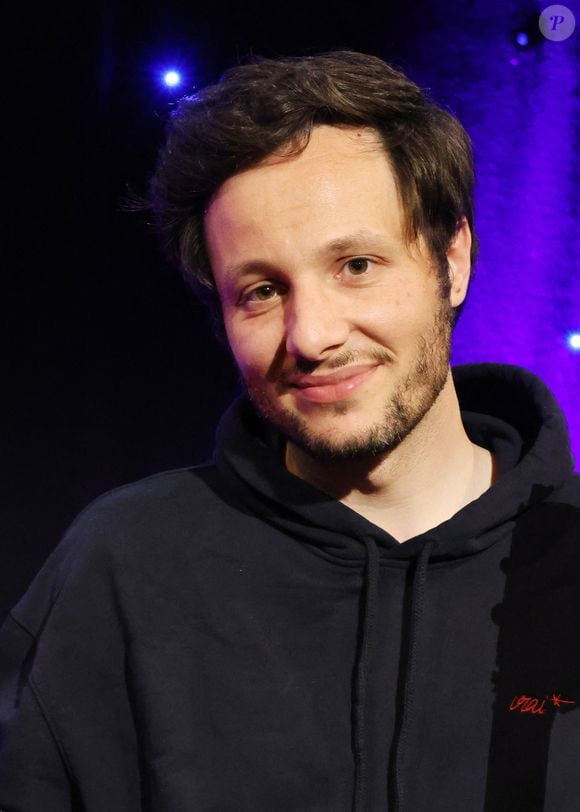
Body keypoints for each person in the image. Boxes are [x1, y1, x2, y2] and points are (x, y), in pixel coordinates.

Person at [0, 50, 579, 812]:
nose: (311, 336)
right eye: (263, 290)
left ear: (453, 258)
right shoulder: (123, 567)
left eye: (357, 265)